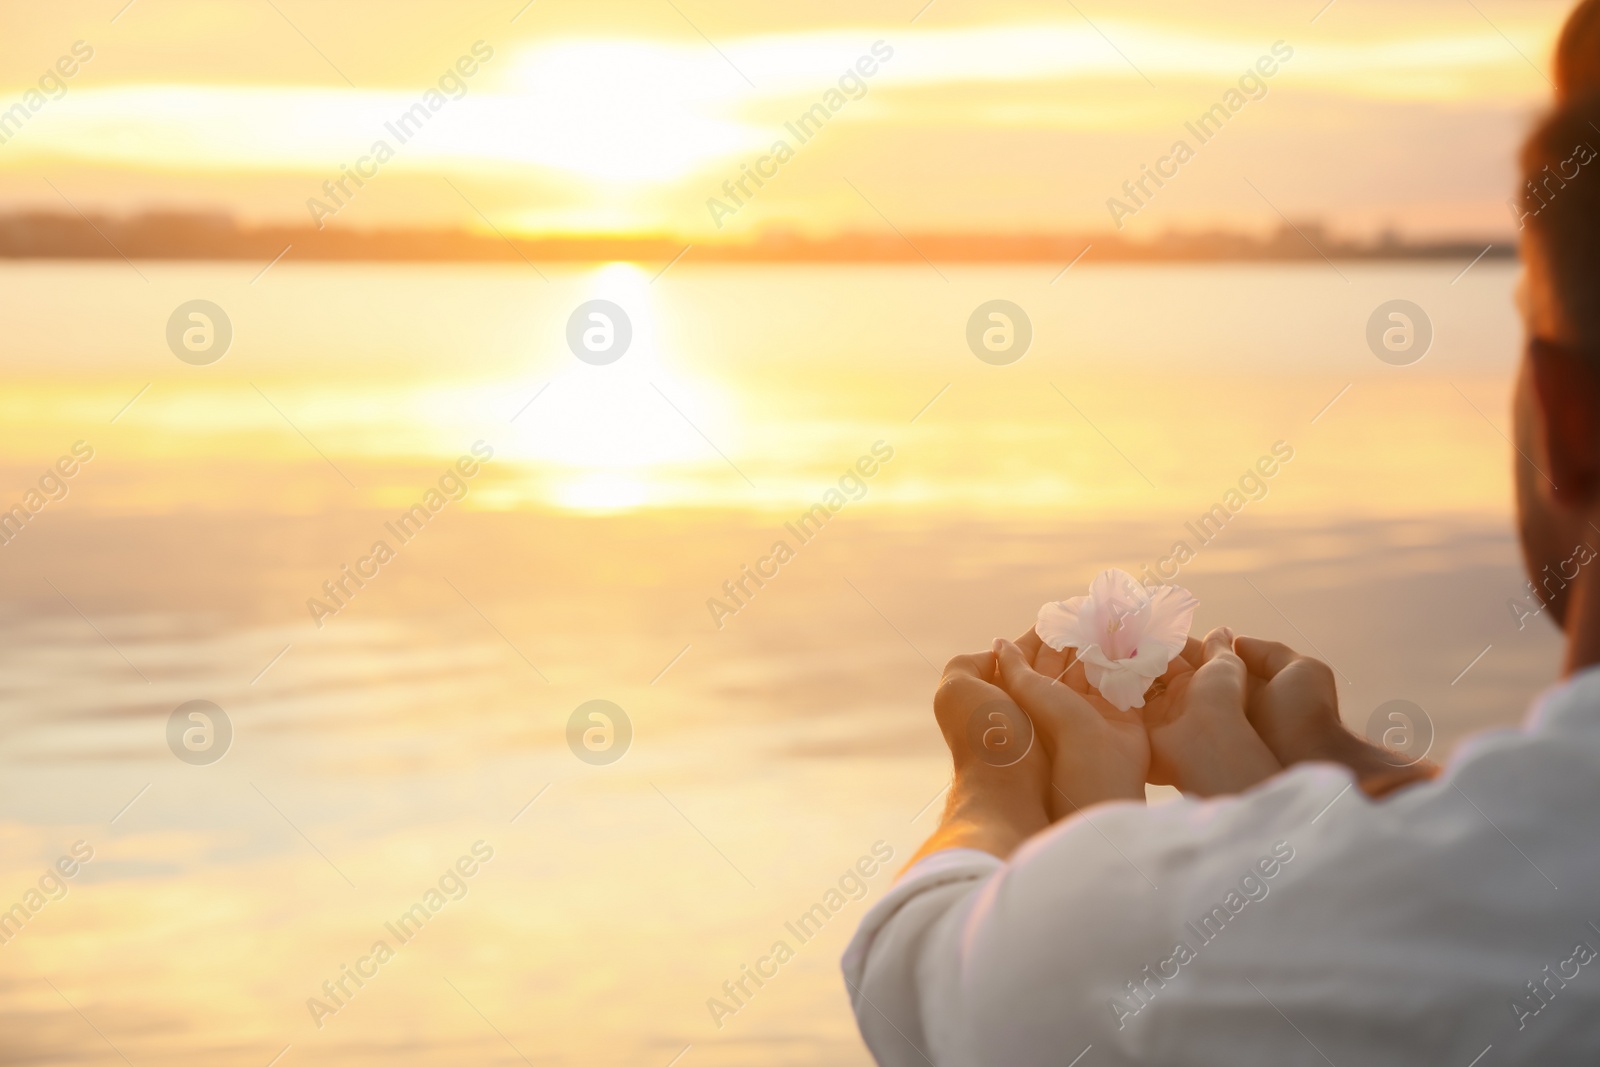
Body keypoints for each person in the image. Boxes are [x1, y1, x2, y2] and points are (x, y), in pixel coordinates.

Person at [841, 47, 1600, 1067]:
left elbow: (924, 971)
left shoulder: (1100, 938)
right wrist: (1343, 775)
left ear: (1567, 415)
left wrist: (1000, 781)